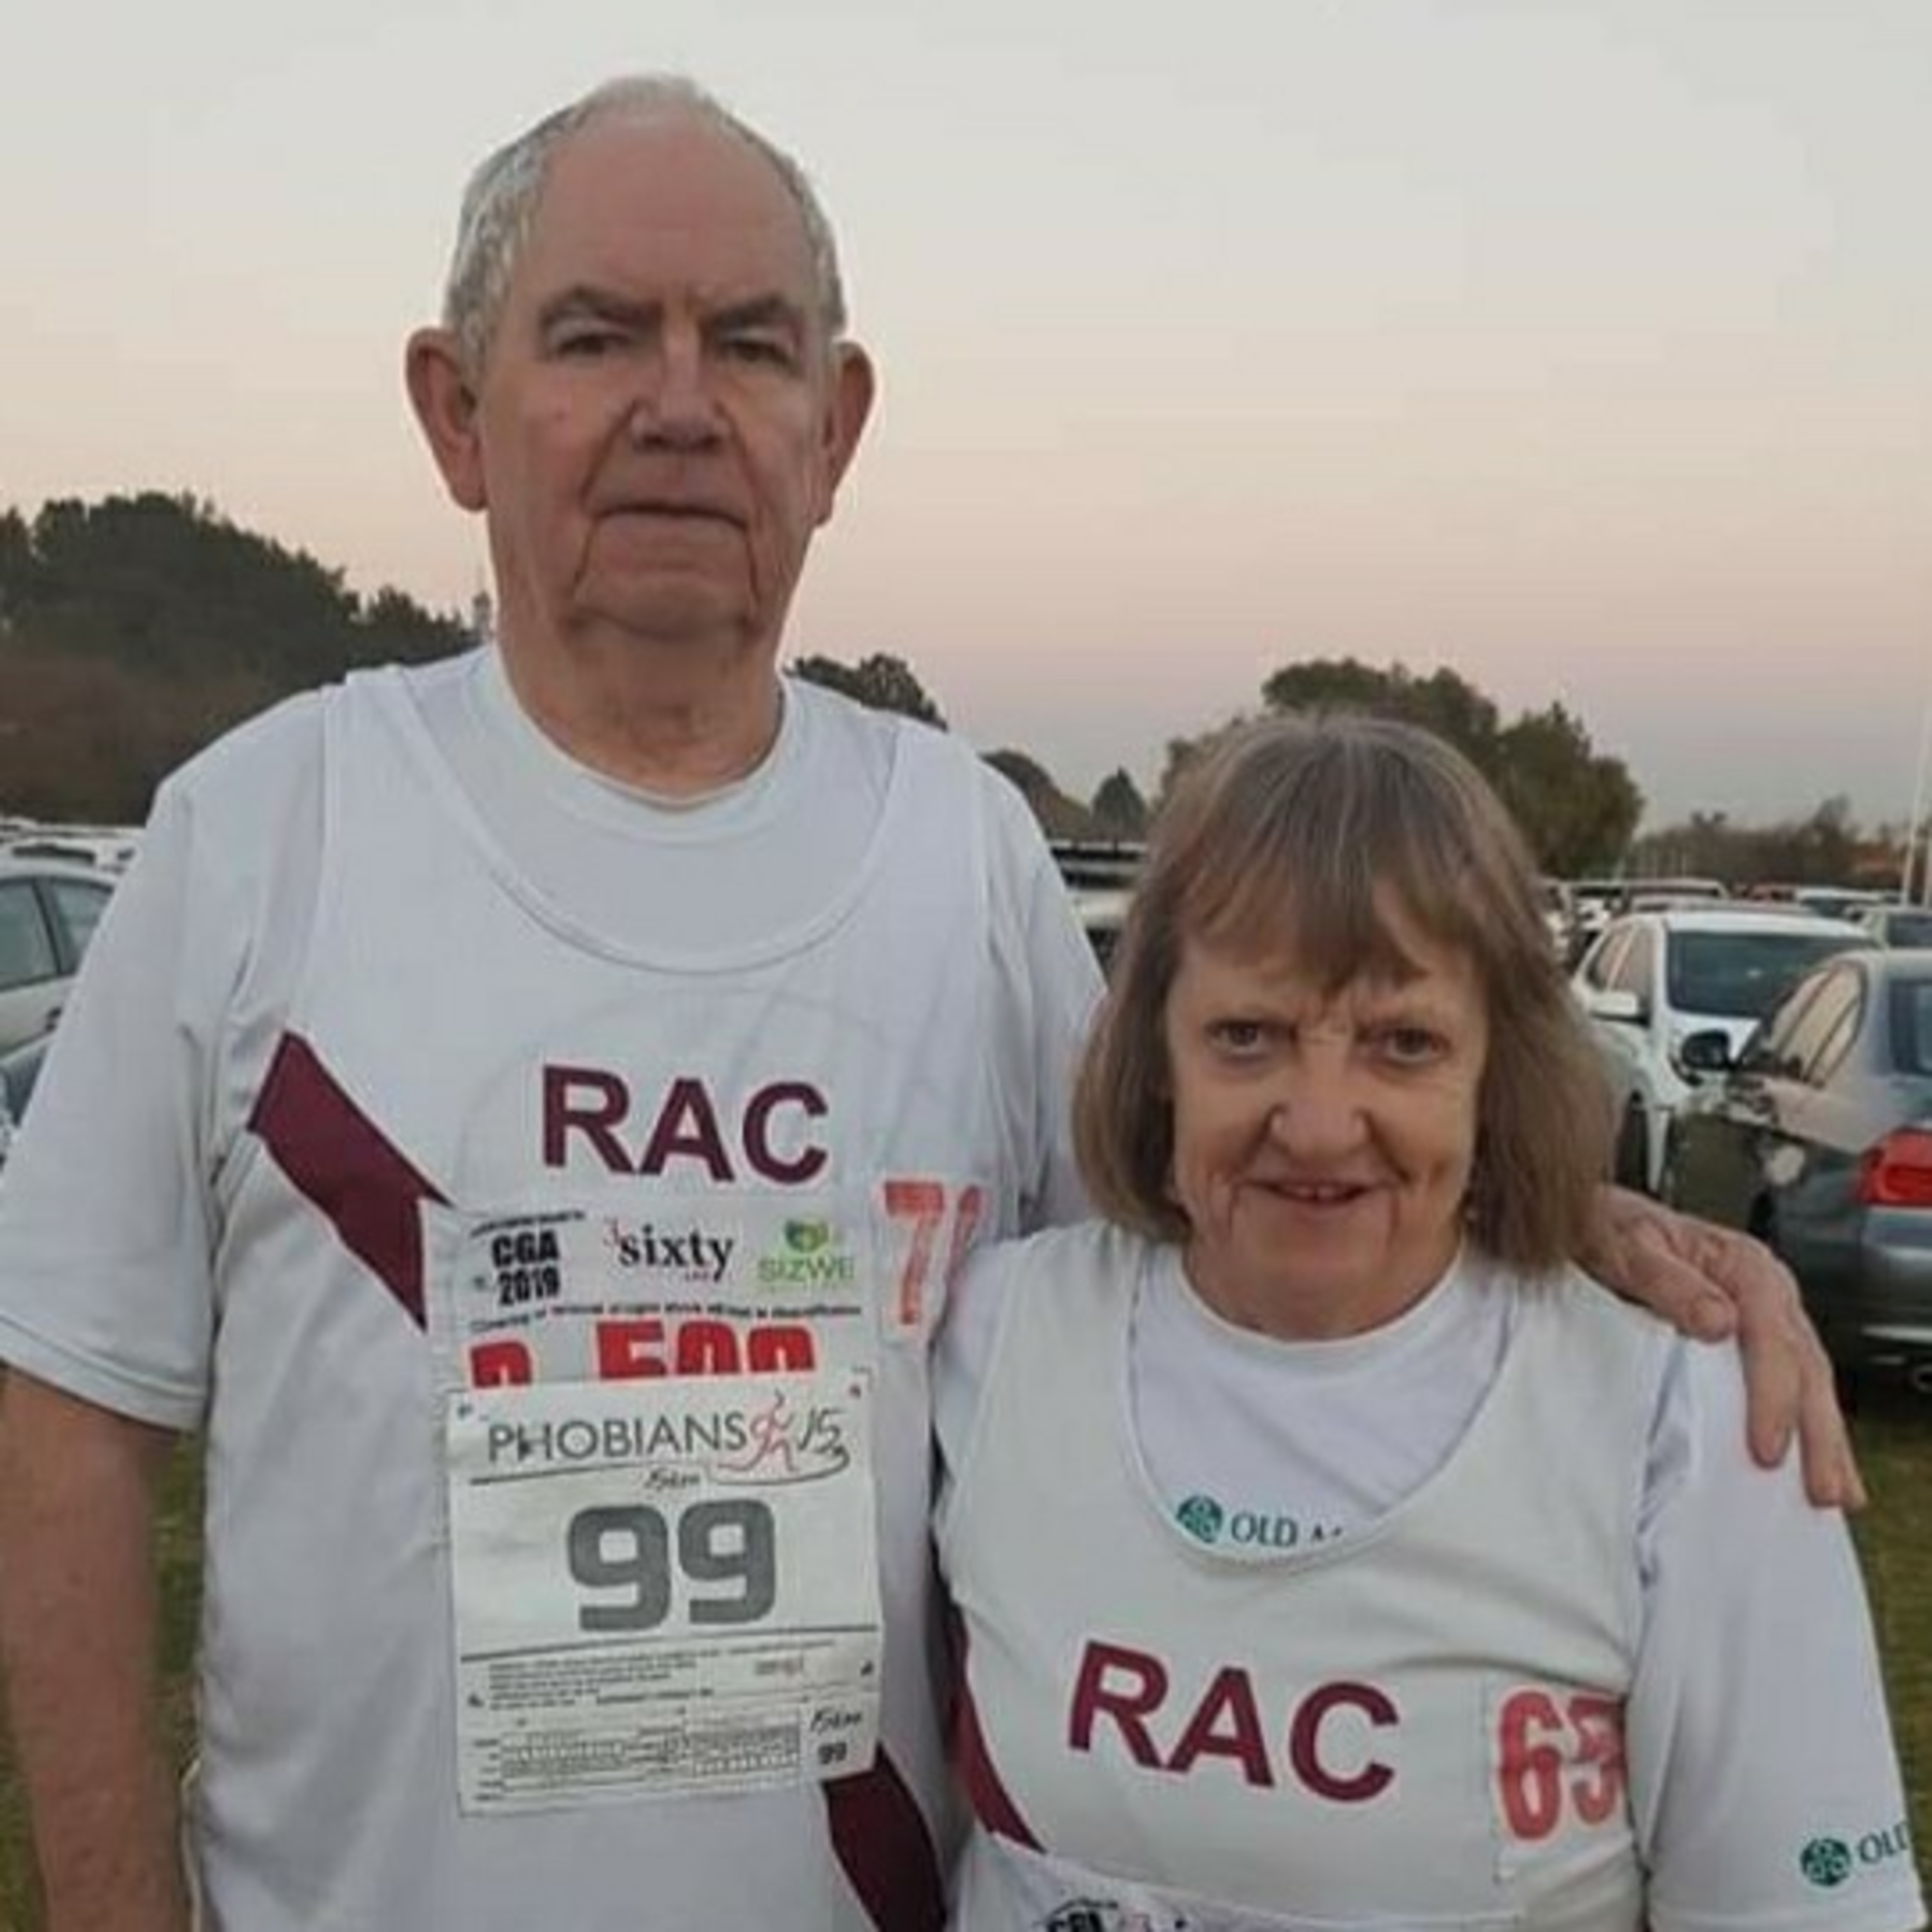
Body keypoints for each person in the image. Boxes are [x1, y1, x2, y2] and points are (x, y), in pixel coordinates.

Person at [0, 73, 1857, 1932]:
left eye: (749, 345)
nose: (678, 405)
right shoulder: (267, 833)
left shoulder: (959, 853)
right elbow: (63, 1418)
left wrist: (1560, 1218)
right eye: (596, 335)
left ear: (837, 428)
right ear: (455, 410)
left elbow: (1213, 1213)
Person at [936, 713, 1922, 1932]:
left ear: (1494, 1068)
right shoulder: (990, 1339)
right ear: (1156, 1055)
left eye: (1403, 1045)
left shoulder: (1690, 1424)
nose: (1319, 1124)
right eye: (1246, 1037)